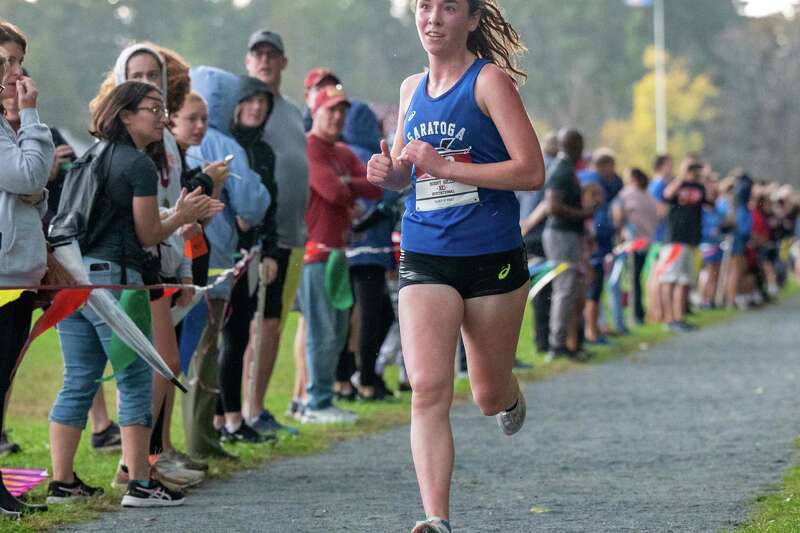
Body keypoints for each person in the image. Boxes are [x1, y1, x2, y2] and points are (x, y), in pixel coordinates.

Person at [366, 1, 544, 530]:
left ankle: (508, 394)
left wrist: (447, 167)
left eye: (448, 7)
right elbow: (406, 172)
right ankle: (436, 519)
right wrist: (390, 173)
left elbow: (532, 171)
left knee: (486, 394)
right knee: (427, 387)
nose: (433, 17)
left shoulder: (488, 84)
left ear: (470, 20)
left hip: (491, 259)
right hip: (425, 254)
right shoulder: (409, 88)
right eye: (424, 6)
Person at [47, 81, 222, 508]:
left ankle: (62, 482)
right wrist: (181, 215)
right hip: (116, 281)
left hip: (72, 278)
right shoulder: (139, 165)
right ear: (125, 115)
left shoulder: (90, 156)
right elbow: (147, 234)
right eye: (152, 109)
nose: (161, 117)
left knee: (78, 378)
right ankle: (141, 482)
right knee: (136, 377)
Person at [181, 66, 270, 460]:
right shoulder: (223, 145)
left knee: (183, 351)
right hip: (213, 262)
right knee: (205, 350)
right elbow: (253, 204)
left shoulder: (176, 142)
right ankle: (202, 441)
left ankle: (179, 443)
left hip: (179, 260)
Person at [300, 84, 381, 424]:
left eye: (341, 112)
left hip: (338, 253)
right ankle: (315, 403)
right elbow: (332, 191)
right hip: (316, 254)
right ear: (316, 112)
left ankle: (324, 397)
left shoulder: (342, 151)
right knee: (321, 332)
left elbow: (376, 187)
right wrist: (348, 183)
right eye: (330, 110)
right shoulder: (310, 147)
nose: (336, 117)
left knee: (336, 331)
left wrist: (345, 180)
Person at [0, 20, 55, 517]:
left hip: (16, 273)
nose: (18, 75)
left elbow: (35, 190)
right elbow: (31, 174)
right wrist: (33, 116)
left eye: (19, 62)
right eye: (9, 63)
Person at [242, 30, 309, 433]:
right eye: (258, 54)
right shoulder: (243, 105)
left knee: (273, 326)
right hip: (257, 238)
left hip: (292, 234)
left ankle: (257, 408)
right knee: (249, 326)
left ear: (283, 61)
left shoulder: (291, 111)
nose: (265, 60)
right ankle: (239, 412)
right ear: (248, 61)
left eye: (272, 54)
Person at [215, 75, 282, 443]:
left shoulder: (265, 152)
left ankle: (234, 417)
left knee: (239, 333)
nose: (257, 108)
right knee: (218, 338)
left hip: (254, 251)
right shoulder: (218, 145)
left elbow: (270, 207)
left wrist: (270, 251)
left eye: (263, 102)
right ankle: (221, 419)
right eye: (250, 101)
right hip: (223, 251)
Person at [544, 129, 597, 360]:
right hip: (561, 235)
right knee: (565, 290)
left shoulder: (566, 169)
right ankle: (558, 345)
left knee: (574, 289)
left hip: (569, 235)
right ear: (575, 146)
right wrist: (584, 213)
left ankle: (571, 343)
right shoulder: (560, 170)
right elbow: (553, 206)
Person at [658, 157, 706, 332]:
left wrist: (704, 176)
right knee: (670, 279)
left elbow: (711, 200)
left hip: (691, 240)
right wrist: (682, 176)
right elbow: (667, 195)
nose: (693, 171)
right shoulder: (675, 184)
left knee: (684, 281)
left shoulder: (700, 187)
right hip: (674, 239)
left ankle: (680, 317)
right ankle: (669, 318)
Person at [579, 149, 623, 341]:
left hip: (599, 241)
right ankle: (590, 332)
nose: (600, 198)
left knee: (595, 288)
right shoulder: (592, 180)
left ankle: (594, 329)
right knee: (591, 290)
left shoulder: (595, 179)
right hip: (594, 244)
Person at [611, 167, 658, 326]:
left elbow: (618, 217)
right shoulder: (649, 196)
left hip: (632, 243)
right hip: (647, 242)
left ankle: (633, 314)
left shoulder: (627, 194)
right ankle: (640, 312)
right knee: (638, 279)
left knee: (629, 280)